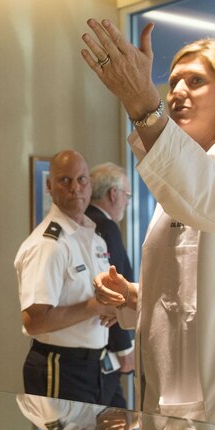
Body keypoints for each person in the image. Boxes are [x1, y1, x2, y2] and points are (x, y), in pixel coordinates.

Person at [81, 20, 215, 430]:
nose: (177, 92)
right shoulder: (189, 180)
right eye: (173, 82)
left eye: (195, 81)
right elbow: (206, 288)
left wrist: (142, 101)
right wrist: (136, 297)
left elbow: (214, 203)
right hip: (175, 397)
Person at [14, 149, 123, 407]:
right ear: (50, 186)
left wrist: (112, 309)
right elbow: (34, 321)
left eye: (82, 179)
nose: (76, 188)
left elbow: (94, 296)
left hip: (98, 364)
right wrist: (95, 307)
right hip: (62, 366)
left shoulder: (93, 237)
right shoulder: (48, 244)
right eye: (65, 180)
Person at [86, 163, 136, 391]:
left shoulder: (83, 221)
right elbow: (115, 289)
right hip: (104, 345)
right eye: (126, 195)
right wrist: (126, 349)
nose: (127, 202)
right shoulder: (106, 227)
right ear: (113, 194)